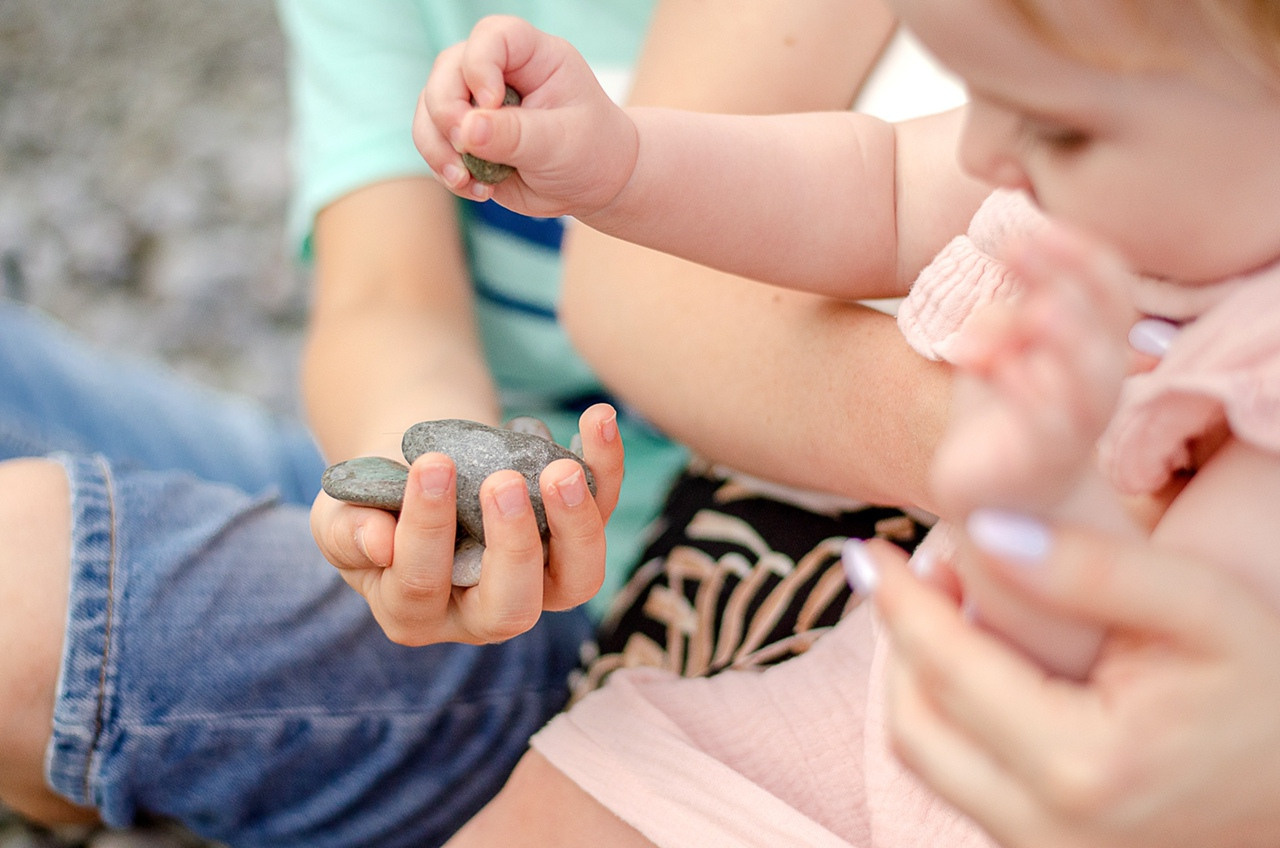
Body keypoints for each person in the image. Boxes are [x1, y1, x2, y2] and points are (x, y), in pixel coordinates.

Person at [0, 1, 908, 845]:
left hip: (626, 626)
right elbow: (385, 297)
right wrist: (413, 508)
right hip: (456, 548)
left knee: (21, 589)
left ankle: (136, 775)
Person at [414, 0, 1280, 843]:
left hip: (1057, 778)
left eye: (1053, 126)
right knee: (577, 789)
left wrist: (1042, 490)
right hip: (870, 713)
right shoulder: (1113, 156)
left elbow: (1136, 695)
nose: (980, 149)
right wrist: (625, 162)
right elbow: (877, 184)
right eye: (977, 92)